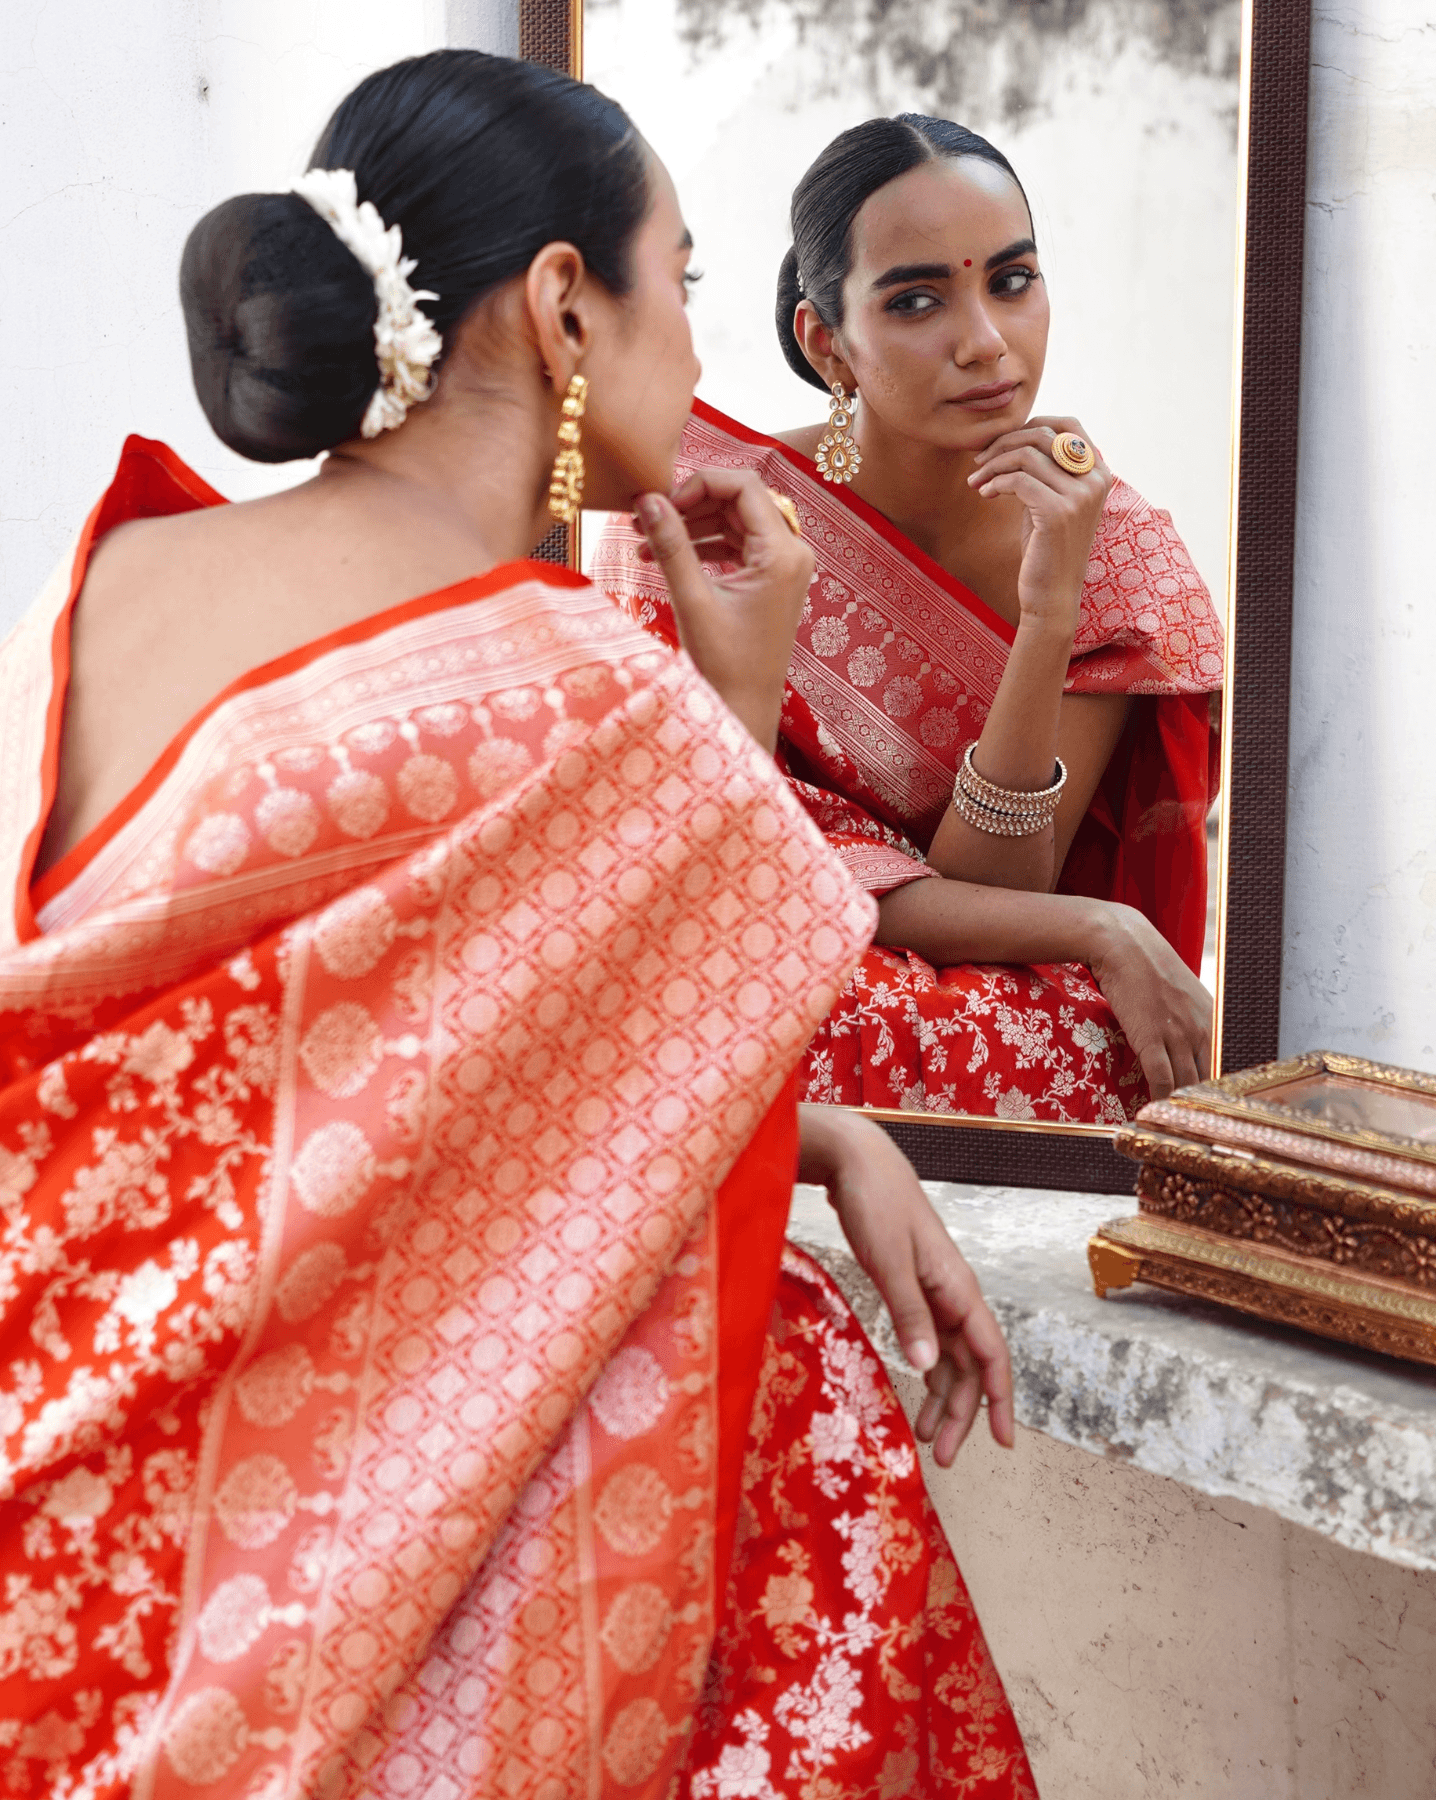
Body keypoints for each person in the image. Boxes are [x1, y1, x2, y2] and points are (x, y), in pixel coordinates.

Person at [0, 54, 1038, 1799]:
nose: (703, 357)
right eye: (685, 284)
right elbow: (547, 1050)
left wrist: (819, 1132)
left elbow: (346, 1098)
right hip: (294, 1571)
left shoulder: (111, 567)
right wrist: (729, 692)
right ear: (566, 303)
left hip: (66, 1472)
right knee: (804, 1422)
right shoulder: (574, 691)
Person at [592, 114, 1223, 1123]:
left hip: (999, 972)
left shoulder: (1115, 550)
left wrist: (1049, 608)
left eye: (1012, 280)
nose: (985, 342)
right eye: (919, 300)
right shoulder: (711, 513)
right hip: (761, 934)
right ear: (826, 343)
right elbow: (723, 851)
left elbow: (1006, 882)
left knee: (1079, 1038)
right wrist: (1100, 928)